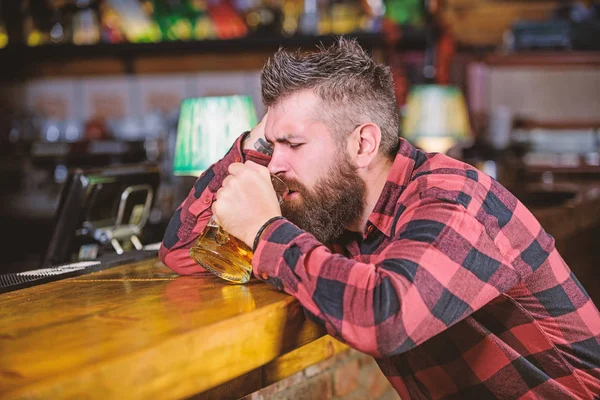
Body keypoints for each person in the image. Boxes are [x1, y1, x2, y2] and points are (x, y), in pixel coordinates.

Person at [160, 38, 600, 399]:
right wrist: (250, 145)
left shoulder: (452, 197)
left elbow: (386, 317)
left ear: (363, 145)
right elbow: (181, 251)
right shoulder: (335, 213)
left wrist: (263, 232)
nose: (275, 163)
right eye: (272, 145)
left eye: (292, 144)